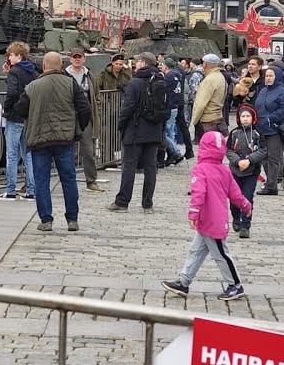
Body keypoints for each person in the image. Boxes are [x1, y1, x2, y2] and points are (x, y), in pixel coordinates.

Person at [160, 130, 251, 302]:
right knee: (195, 251)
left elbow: (198, 192)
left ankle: (236, 285)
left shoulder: (200, 169)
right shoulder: (224, 171)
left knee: (221, 255)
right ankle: (184, 282)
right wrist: (246, 205)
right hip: (209, 221)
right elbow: (236, 194)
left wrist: (193, 212)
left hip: (210, 220)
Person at [13, 51, 91, 232]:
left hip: (40, 140)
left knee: (41, 181)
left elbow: (20, 109)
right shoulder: (70, 83)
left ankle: (46, 220)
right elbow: (85, 108)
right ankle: (72, 219)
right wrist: (76, 130)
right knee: (69, 179)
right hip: (64, 139)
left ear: (43, 66)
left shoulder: (33, 86)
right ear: (61, 66)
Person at [109, 53, 167, 214]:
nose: (135, 64)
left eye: (138, 61)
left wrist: (121, 125)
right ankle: (147, 203)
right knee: (150, 167)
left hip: (135, 130)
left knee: (129, 166)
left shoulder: (134, 83)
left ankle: (122, 202)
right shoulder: (160, 80)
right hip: (154, 130)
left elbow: (127, 108)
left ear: (143, 63)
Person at [0, 42, 39, 201]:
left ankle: (11, 190)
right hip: (27, 116)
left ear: (19, 56)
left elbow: (12, 92)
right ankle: (31, 191)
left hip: (14, 116)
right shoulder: (33, 70)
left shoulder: (15, 71)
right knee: (28, 155)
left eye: (11, 55)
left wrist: (6, 109)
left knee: (12, 154)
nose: (9, 58)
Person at [65, 49, 103, 192]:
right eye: (74, 57)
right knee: (68, 151)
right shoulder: (65, 75)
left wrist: (96, 111)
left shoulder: (90, 76)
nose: (77, 59)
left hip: (86, 118)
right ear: (70, 59)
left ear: (84, 59)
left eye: (79, 57)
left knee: (88, 151)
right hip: (69, 117)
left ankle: (91, 180)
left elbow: (97, 96)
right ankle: (68, 180)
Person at [227, 105, 264, 239]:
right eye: (243, 116)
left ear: (253, 118)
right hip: (235, 171)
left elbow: (263, 150)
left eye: (248, 116)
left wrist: (249, 160)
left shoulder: (257, 134)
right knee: (234, 198)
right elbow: (229, 150)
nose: (245, 119)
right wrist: (237, 161)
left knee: (247, 197)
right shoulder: (234, 133)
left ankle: (245, 225)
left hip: (251, 172)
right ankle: (236, 217)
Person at [253, 66, 284, 195]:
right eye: (267, 76)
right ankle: (270, 183)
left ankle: (272, 186)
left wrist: (271, 118)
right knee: (263, 156)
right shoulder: (263, 90)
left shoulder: (282, 91)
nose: (268, 78)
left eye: (271, 76)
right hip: (261, 128)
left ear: (277, 77)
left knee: (273, 158)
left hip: (274, 129)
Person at [190, 54, 228, 141]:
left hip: (208, 121)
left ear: (206, 64)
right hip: (218, 117)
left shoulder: (209, 80)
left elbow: (200, 104)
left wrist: (194, 120)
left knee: (207, 150)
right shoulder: (221, 77)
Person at [158, 59, 185, 167]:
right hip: (175, 106)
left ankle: (176, 153)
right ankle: (170, 155)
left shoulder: (168, 77)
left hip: (170, 106)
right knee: (170, 132)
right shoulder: (177, 75)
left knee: (164, 133)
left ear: (166, 66)